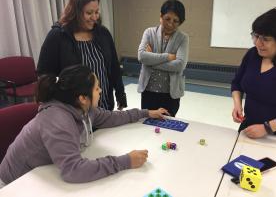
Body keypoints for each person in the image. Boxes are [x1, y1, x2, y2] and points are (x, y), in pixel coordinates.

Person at [0, 65, 168, 186]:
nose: (101, 91)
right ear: (82, 97)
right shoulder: (58, 120)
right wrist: (125, 161)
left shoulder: (83, 108)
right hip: (14, 183)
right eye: (97, 89)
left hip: (44, 172)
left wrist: (145, 113)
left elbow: (112, 117)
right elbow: (73, 170)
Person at [37, 0, 126, 111]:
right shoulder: (58, 36)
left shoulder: (103, 33)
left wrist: (121, 95)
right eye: (89, 13)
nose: (94, 17)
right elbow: (44, 75)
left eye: (97, 12)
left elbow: (114, 67)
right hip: (75, 110)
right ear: (76, 12)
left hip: (104, 105)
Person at [231, 7, 276, 139]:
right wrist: (237, 104)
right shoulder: (252, 54)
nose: (258, 43)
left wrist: (267, 127)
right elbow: (237, 83)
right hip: (250, 127)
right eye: (256, 36)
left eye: (265, 39)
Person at [137, 0, 189, 117]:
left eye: (176, 21)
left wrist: (151, 62)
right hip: (148, 92)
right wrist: (168, 57)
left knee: (168, 127)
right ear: (161, 16)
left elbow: (180, 65)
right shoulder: (149, 33)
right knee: (147, 125)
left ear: (180, 22)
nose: (171, 24)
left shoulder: (183, 38)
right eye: (167, 19)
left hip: (170, 95)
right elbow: (141, 56)